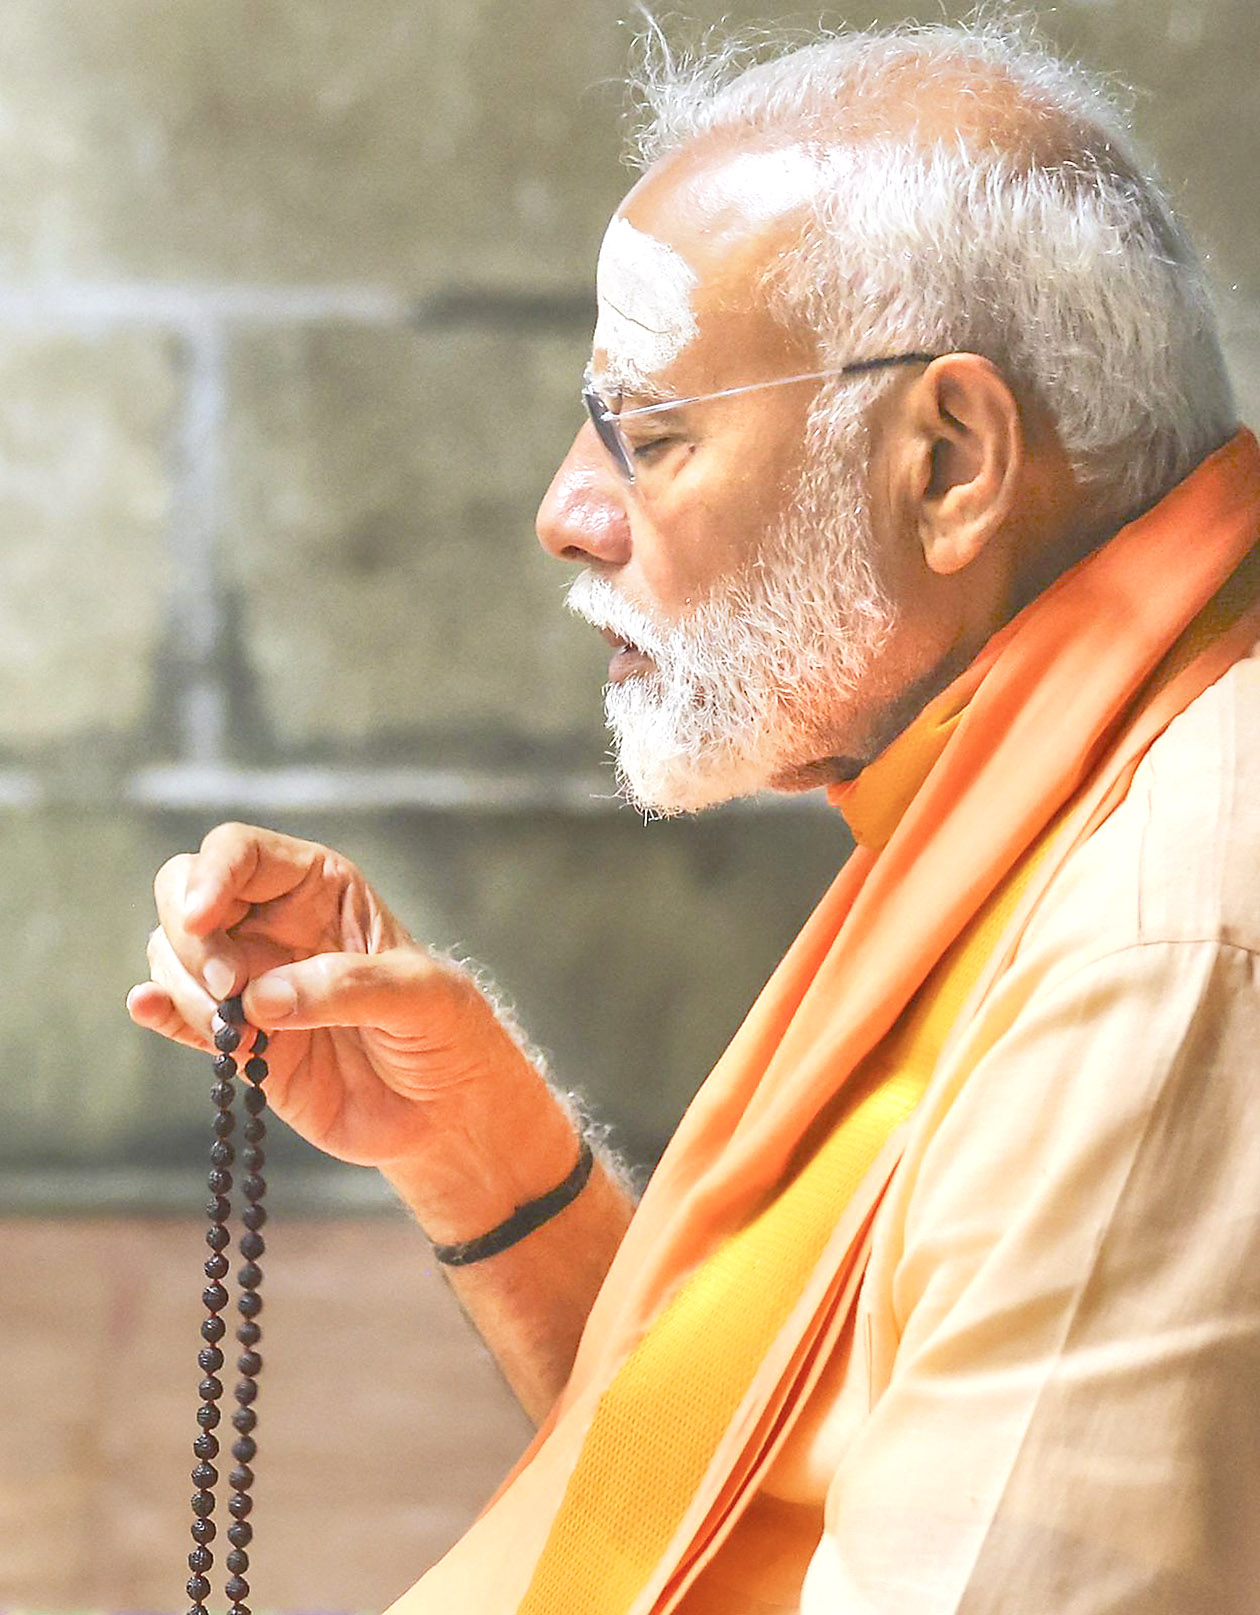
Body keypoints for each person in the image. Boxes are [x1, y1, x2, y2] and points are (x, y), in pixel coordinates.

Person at [128, 20, 1260, 1614]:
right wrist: (478, 1152)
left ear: (947, 461)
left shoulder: (1165, 951)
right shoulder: (1057, 763)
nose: (564, 510)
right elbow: (752, 1494)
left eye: (645, 434)